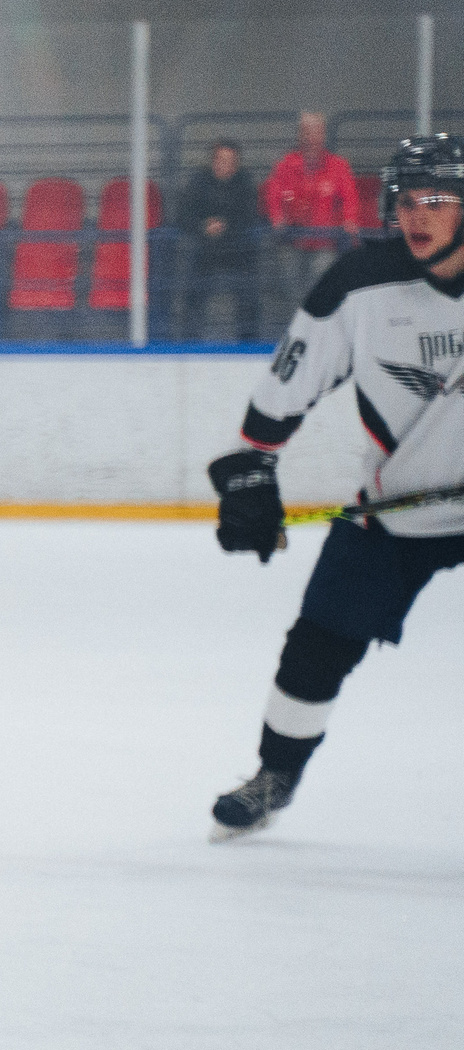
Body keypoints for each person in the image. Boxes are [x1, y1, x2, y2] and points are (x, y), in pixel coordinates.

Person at [204, 134, 464, 839]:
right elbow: (289, 383)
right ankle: (274, 777)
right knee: (315, 646)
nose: (419, 214)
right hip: (395, 509)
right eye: (407, 201)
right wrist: (251, 470)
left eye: (437, 199)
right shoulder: (359, 285)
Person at [263, 111, 364, 309]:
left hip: (324, 240)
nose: (311, 138)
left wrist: (349, 219)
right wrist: (277, 217)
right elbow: (273, 195)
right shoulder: (285, 165)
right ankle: (299, 323)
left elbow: (350, 198)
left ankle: (317, 321)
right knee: (291, 282)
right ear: (300, 135)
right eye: (306, 132)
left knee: (320, 277)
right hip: (292, 239)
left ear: (323, 135)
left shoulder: (338, 166)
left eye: (315, 132)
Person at [178, 140, 268, 342]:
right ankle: (190, 343)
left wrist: (225, 227)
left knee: (248, 294)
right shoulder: (199, 181)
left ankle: (248, 344)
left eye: (228, 161)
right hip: (205, 251)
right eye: (219, 159)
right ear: (212, 161)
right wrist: (203, 226)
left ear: (236, 164)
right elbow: (183, 215)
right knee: (193, 293)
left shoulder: (245, 182)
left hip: (237, 252)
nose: (223, 165)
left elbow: (249, 215)